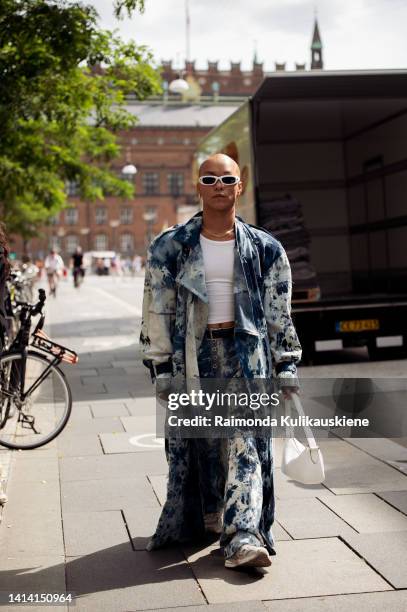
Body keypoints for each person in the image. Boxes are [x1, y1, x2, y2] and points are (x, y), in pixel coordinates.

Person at [140, 153, 301, 569]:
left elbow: (278, 313)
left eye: (225, 178)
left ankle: (244, 534)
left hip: (247, 357)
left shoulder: (265, 249)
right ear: (198, 186)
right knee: (199, 447)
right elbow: (156, 310)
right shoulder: (171, 246)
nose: (218, 186)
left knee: (245, 441)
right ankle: (212, 517)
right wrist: (159, 369)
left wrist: (286, 364)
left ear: (239, 185)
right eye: (208, 179)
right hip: (193, 357)